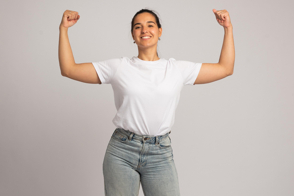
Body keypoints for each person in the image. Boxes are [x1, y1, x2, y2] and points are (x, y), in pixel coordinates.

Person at [59, 8, 235, 196]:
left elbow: (225, 68)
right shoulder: (119, 67)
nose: (144, 30)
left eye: (150, 25)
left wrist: (228, 28)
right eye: (138, 27)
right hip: (122, 151)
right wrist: (63, 29)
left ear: (160, 31)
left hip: (160, 153)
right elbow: (69, 69)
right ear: (133, 35)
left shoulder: (176, 69)